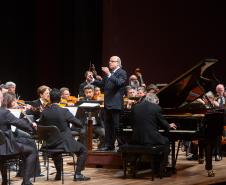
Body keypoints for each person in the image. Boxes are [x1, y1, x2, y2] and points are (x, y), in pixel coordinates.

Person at [39, 88, 90, 181]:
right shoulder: (64, 111)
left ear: (50, 98)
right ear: (60, 99)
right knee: (83, 150)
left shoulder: (45, 112)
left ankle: (58, 174)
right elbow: (78, 123)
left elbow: (40, 126)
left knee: (56, 152)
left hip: (50, 144)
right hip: (65, 143)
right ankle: (78, 174)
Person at [0, 88, 38, 185]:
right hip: (5, 148)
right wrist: (32, 127)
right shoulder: (4, 113)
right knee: (32, 151)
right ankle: (26, 181)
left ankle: (5, 181)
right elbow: (20, 123)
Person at [131, 92, 176, 173]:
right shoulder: (156, 107)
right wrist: (169, 125)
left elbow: (132, 124)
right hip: (150, 138)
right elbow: (164, 125)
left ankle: (136, 167)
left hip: (136, 138)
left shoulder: (135, 107)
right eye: (157, 102)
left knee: (159, 139)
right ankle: (161, 169)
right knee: (166, 142)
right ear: (155, 100)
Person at [92, 56, 127, 151]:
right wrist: (92, 80)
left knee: (117, 127)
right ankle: (109, 145)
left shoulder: (122, 72)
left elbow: (120, 83)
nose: (110, 63)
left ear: (118, 63)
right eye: (109, 61)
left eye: (112, 61)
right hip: (107, 104)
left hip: (116, 105)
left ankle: (122, 146)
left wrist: (109, 74)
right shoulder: (110, 74)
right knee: (108, 127)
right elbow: (102, 84)